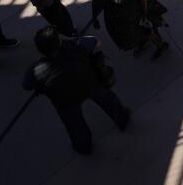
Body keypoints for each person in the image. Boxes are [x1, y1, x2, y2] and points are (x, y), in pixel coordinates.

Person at [22, 26, 130, 155]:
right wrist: (69, 38)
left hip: (65, 100)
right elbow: (96, 41)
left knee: (74, 124)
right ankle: (122, 118)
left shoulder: (36, 69)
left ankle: (83, 146)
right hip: (89, 83)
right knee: (107, 99)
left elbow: (26, 86)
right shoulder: (76, 45)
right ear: (59, 41)